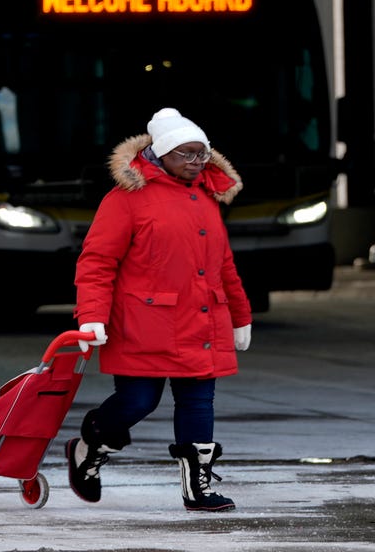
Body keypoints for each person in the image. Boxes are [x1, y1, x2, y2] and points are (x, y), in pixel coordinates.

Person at [64, 107, 252, 511]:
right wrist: (91, 314)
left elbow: (222, 263)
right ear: (161, 153)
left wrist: (241, 314)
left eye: (202, 153)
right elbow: (97, 261)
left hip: (202, 321)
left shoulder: (207, 197)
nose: (197, 162)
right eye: (186, 154)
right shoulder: (126, 199)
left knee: (199, 402)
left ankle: (197, 490)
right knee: (138, 403)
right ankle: (90, 444)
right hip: (144, 322)